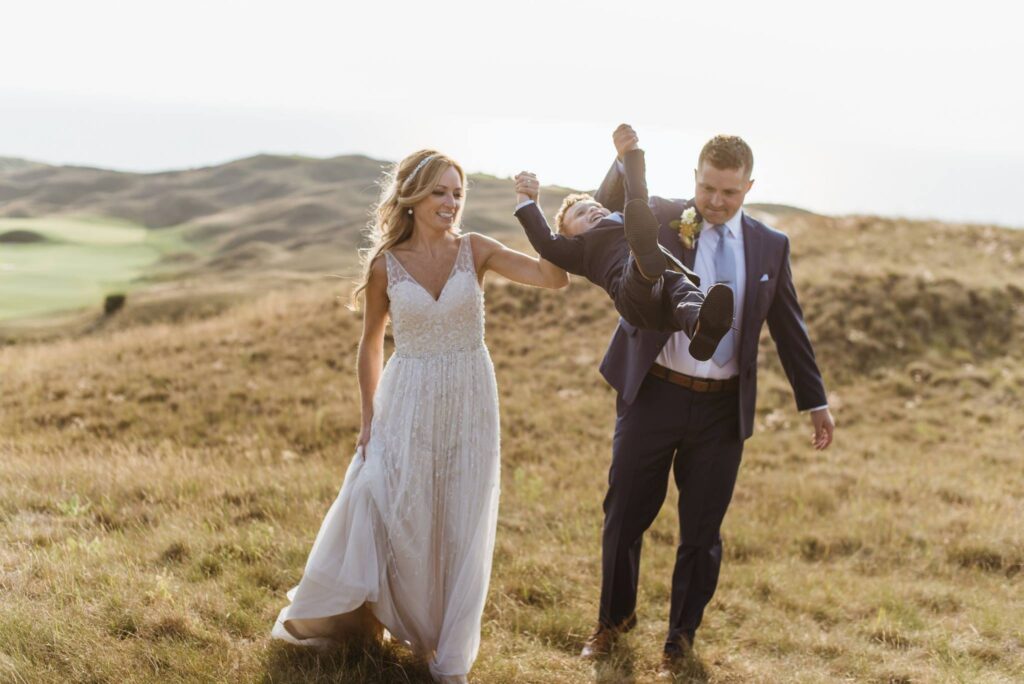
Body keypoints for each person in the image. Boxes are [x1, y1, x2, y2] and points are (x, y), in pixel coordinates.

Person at [271, 149, 568, 683]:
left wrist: (532, 209)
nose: (450, 202)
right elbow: (369, 347)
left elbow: (553, 277)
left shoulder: (477, 250)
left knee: (460, 516)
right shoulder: (386, 264)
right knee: (397, 506)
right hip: (405, 398)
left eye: (457, 193)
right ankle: (377, 620)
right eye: (439, 191)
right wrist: (368, 419)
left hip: (470, 398)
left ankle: (445, 651)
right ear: (412, 195)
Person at [580, 126, 836, 677]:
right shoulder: (664, 216)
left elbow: (789, 329)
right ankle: (613, 622)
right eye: (707, 189)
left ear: (749, 187)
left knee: (702, 530)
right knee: (624, 512)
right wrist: (622, 160)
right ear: (694, 179)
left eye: (729, 192)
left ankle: (679, 640)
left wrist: (814, 401)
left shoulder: (771, 246)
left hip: (722, 409)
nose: (716, 203)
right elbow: (598, 213)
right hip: (654, 392)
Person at [511, 160, 734, 361]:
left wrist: (630, 154)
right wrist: (525, 202)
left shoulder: (624, 220)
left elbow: (636, 191)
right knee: (636, 267)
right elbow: (546, 242)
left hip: (665, 296)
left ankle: (701, 326)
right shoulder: (578, 249)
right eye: (580, 214)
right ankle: (642, 257)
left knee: (682, 290)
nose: (592, 211)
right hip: (631, 295)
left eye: (596, 207)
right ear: (568, 236)